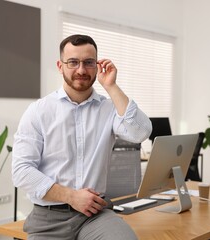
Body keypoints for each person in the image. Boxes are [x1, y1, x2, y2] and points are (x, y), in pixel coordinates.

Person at [12, 34, 152, 240]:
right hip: (49, 220)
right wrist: (72, 197)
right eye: (73, 62)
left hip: (95, 216)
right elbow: (21, 172)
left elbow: (140, 132)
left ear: (97, 66)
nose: (81, 70)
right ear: (60, 66)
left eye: (88, 63)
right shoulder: (39, 111)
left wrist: (111, 86)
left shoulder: (109, 107)